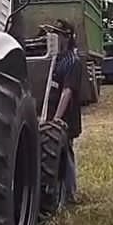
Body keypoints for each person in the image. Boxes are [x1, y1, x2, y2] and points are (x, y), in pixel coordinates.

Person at [47, 19, 84, 206]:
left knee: (66, 152)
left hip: (66, 116)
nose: (53, 38)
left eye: (58, 35)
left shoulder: (72, 62)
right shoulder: (56, 59)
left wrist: (56, 119)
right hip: (53, 114)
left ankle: (70, 194)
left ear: (67, 38)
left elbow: (67, 91)